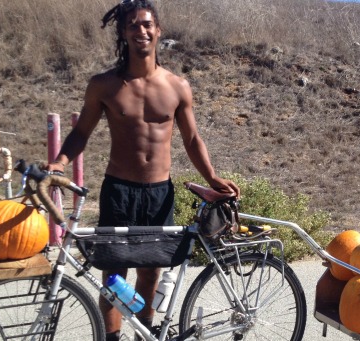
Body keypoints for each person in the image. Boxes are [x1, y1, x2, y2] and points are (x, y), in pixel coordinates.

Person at [47, 1, 239, 340]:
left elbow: (192, 139)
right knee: (113, 273)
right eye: (133, 25)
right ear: (123, 32)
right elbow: (81, 133)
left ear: (158, 30)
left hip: (159, 192)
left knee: (150, 272)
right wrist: (59, 162)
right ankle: (112, 336)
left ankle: (143, 332)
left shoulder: (177, 86)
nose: (141, 31)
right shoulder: (104, 85)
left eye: (147, 24)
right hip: (118, 190)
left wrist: (212, 178)